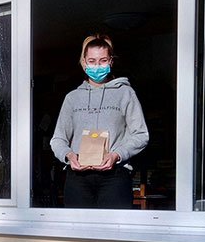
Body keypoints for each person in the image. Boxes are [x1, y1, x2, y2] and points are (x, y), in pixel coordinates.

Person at [50, 34, 149, 208]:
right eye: (92, 61)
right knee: (78, 232)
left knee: (113, 233)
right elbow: (58, 139)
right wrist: (69, 156)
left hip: (115, 177)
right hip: (78, 179)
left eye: (103, 60)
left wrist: (116, 155)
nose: (97, 66)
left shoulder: (125, 94)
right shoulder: (72, 98)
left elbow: (141, 135)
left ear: (111, 62)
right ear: (84, 62)